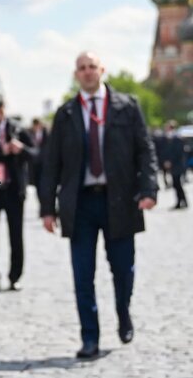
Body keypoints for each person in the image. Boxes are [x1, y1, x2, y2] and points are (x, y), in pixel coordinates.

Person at [39, 51, 158, 359]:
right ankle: (89, 338)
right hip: (80, 205)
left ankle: (123, 312)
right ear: (76, 74)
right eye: (82, 68)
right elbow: (51, 164)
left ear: (102, 70)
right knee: (83, 275)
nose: (88, 71)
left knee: (123, 269)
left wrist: (149, 189)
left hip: (120, 200)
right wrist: (47, 209)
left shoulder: (126, 106)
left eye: (92, 66)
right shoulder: (66, 114)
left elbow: (145, 150)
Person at [0, 95, 36, 291]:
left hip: (13, 190)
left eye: (0, 112)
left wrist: (21, 149)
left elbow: (36, 154)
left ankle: (15, 277)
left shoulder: (18, 128)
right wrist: (1, 151)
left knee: (16, 235)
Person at [161, 120, 188, 209]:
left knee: (177, 184)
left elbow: (177, 152)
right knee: (176, 184)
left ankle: (182, 201)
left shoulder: (177, 138)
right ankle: (181, 201)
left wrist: (170, 161)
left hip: (178, 165)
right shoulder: (170, 138)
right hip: (174, 165)